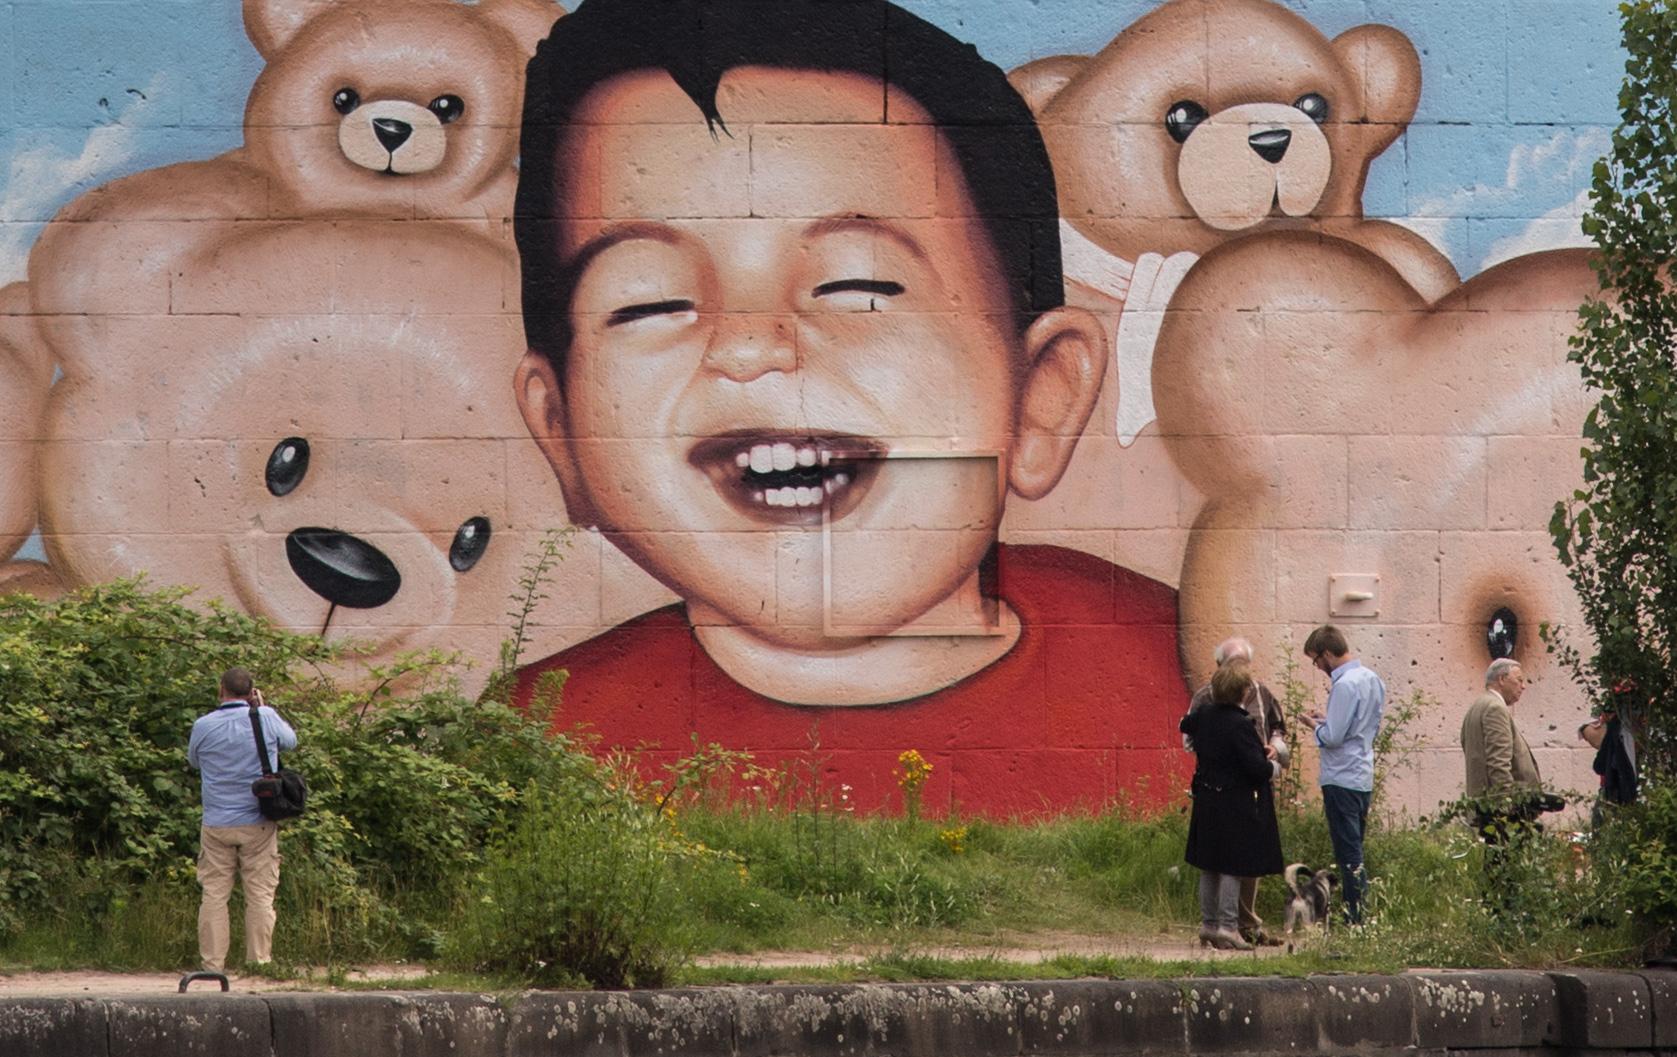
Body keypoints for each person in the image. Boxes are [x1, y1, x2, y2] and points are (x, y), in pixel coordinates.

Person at [507, 0, 1188, 813]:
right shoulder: (536, 740)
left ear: (1041, 393)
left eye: (857, 287)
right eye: (649, 303)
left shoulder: (1177, 666)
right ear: (561, 435)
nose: (752, 345)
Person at [186, 667, 297, 973]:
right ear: (251, 692)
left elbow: (194, 761)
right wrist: (261, 708)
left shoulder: (203, 725)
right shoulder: (265, 718)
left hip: (217, 822)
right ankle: (259, 963)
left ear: (221, 690)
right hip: (258, 821)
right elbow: (291, 741)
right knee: (260, 894)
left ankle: (212, 966)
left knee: (214, 894)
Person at [1185, 636, 1287, 945]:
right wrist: (1272, 765)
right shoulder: (1227, 714)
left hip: (1211, 791)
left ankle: (1217, 924)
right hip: (1237, 794)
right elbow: (1252, 764)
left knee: (1214, 862)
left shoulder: (1209, 712)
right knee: (1232, 862)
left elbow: (1278, 728)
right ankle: (1229, 927)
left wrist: (1275, 747)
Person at [1302, 624, 1385, 925]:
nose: (1318, 667)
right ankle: (1357, 914)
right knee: (1356, 848)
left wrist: (1315, 725)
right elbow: (1362, 726)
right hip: (1362, 773)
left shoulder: (1344, 684)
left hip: (1339, 776)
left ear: (1327, 654)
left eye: (1316, 661)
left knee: (1348, 854)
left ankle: (1355, 919)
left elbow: (1334, 736)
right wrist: (1328, 721)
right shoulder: (1372, 679)